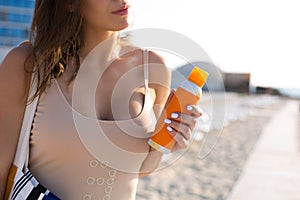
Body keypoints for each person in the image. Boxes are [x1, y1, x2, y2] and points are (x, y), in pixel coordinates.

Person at [0, 0, 203, 199]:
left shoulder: (152, 69)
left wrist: (170, 138)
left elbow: (140, 169)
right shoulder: (27, 66)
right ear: (70, 3)